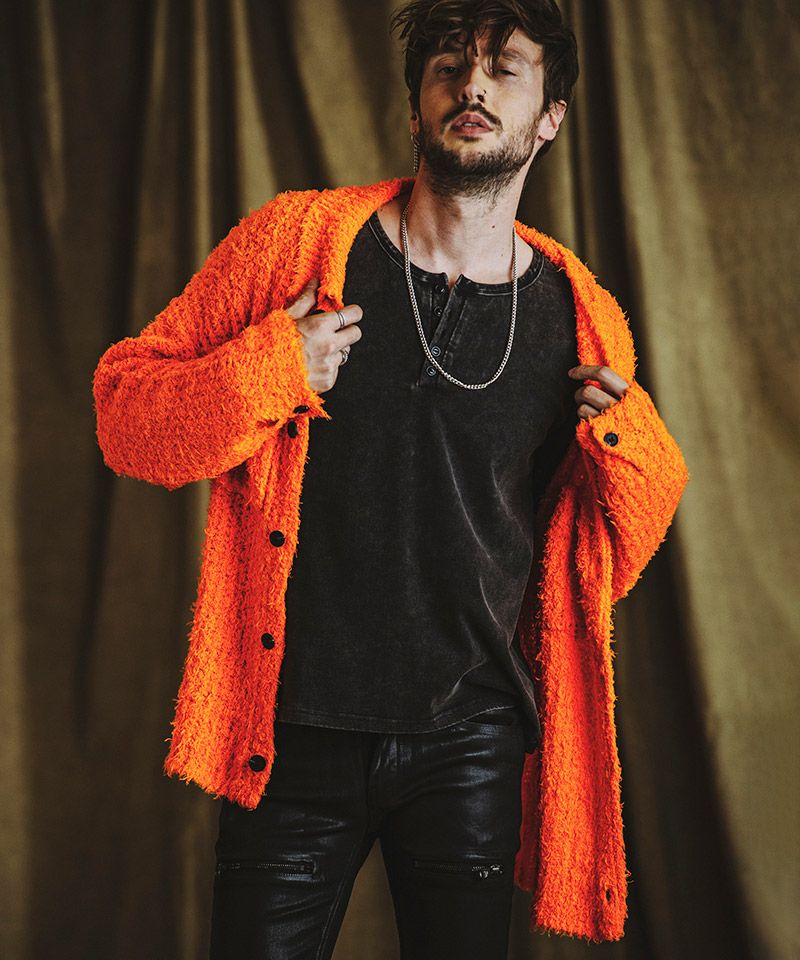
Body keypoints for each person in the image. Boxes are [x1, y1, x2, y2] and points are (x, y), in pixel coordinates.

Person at [92, 0, 689, 956]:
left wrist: (635, 447)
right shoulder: (295, 244)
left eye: (504, 67)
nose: (472, 84)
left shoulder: (580, 315)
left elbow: (600, 561)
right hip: (291, 731)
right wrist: (269, 369)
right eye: (448, 65)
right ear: (416, 108)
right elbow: (127, 419)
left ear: (550, 117)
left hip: (473, 738)